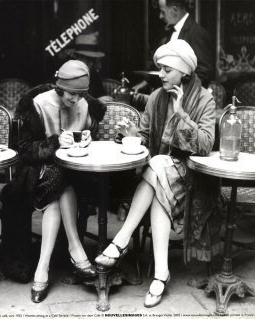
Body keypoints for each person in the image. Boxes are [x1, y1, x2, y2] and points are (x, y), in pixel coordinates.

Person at [95, 39, 217, 308]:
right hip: (162, 174)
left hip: (194, 175)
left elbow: (206, 145)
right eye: (159, 68)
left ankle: (121, 240)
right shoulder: (155, 97)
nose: (160, 75)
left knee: (157, 166)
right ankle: (161, 273)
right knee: (159, 171)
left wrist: (181, 112)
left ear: (184, 72)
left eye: (166, 70)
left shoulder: (206, 100)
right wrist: (131, 135)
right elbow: (146, 135)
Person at [0, 60, 106, 303]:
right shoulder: (37, 104)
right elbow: (23, 150)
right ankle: (75, 248)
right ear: (59, 87)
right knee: (61, 184)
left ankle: (42, 269)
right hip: (35, 173)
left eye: (81, 95)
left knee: (62, 188)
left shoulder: (84, 104)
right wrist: (55, 142)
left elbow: (89, 136)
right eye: (71, 94)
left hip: (73, 173)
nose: (75, 100)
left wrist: (87, 138)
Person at [133, 0, 214, 93]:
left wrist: (181, 92)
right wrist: (146, 82)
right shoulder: (168, 32)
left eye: (163, 12)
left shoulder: (197, 33)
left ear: (175, 9)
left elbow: (204, 73)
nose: (160, 16)